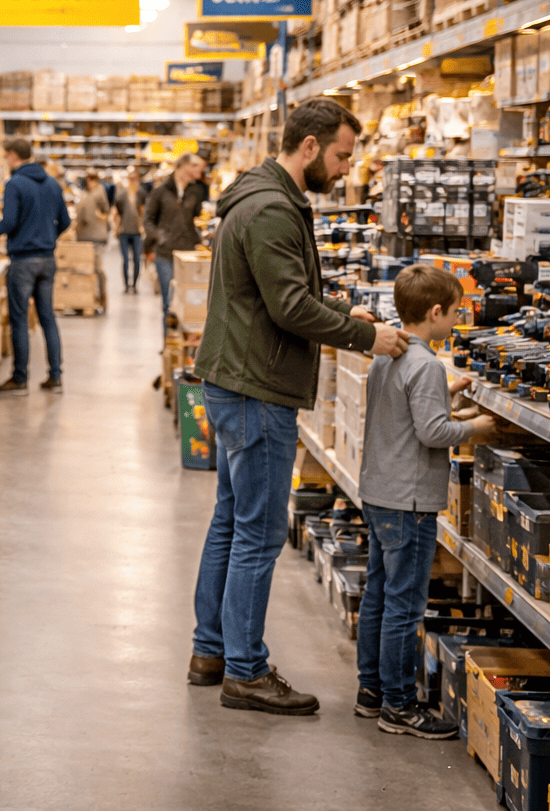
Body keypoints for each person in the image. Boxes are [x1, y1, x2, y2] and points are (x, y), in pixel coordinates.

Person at [188, 97, 411, 715]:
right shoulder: (269, 210)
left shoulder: (263, 198)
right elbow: (288, 307)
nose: (345, 168)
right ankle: (245, 672)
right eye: (341, 155)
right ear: (309, 146)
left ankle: (211, 652)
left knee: (230, 524)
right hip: (256, 388)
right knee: (258, 537)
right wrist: (368, 336)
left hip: (239, 378)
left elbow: (277, 296)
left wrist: (342, 313)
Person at [354, 264, 495, 738]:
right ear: (434, 312)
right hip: (409, 503)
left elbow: (404, 410)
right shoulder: (428, 365)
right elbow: (433, 432)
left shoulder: (387, 354)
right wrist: (476, 427)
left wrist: (445, 393)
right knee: (404, 607)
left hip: (378, 492)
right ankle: (399, 705)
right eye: (455, 313)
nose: (457, 320)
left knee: (377, 596)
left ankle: (370, 691)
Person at [0, 137, 70, 395]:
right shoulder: (53, 183)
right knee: (48, 318)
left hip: (23, 261)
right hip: (47, 259)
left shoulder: (15, 183)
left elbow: (9, 222)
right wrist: (46, 237)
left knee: (20, 320)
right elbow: (65, 221)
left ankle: (20, 379)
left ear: (13, 156)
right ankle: (55, 377)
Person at [143, 152, 207, 335]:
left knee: (190, 301)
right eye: (195, 166)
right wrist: (160, 237)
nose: (200, 169)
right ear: (183, 167)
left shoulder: (196, 191)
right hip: (166, 254)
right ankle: (169, 346)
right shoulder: (160, 192)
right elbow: (148, 220)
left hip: (188, 255)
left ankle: (186, 347)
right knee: (169, 302)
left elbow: (196, 217)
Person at [73, 170, 111, 309]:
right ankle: (89, 296)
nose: (90, 182)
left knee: (96, 266)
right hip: (85, 235)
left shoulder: (99, 193)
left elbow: (106, 211)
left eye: (92, 179)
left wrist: (100, 217)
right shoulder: (87, 193)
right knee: (89, 267)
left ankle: (101, 296)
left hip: (95, 235)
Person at [113, 168, 144, 294]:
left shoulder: (141, 193)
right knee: (125, 260)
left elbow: (144, 211)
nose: (133, 181)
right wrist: (117, 226)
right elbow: (118, 212)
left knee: (137, 259)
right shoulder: (121, 194)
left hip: (137, 232)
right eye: (130, 179)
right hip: (124, 231)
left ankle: (135, 284)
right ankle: (126, 285)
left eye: (134, 179)